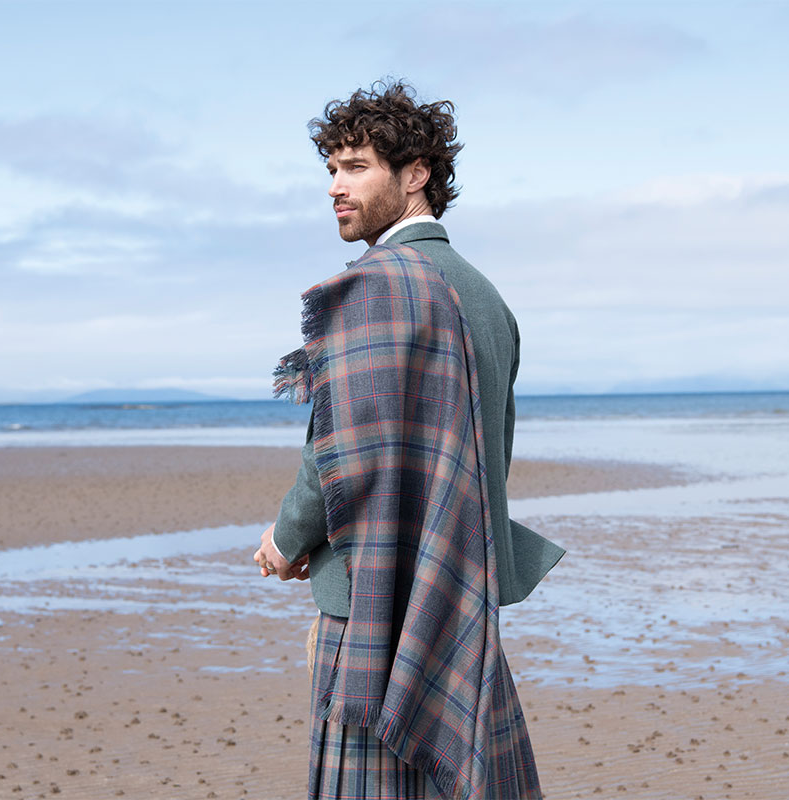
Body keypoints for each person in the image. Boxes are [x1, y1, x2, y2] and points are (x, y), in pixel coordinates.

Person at [253, 80, 564, 800]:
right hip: (455, 586)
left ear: (415, 174)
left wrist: (288, 537)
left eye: (356, 166)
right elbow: (496, 452)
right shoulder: (487, 297)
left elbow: (338, 450)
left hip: (372, 593)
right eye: (330, 169)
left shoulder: (379, 284)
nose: (335, 185)